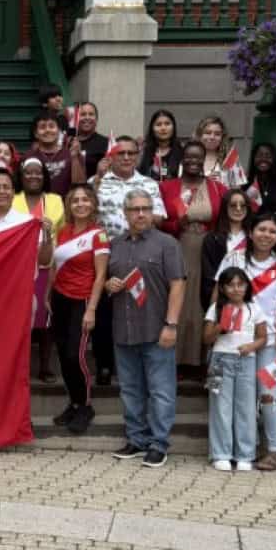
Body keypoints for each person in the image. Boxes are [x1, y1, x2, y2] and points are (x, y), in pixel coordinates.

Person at [105, 190, 186, 469]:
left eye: (145, 208)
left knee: (161, 390)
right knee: (130, 390)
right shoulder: (115, 244)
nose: (140, 214)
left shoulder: (168, 244)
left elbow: (178, 284)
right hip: (123, 329)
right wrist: (109, 285)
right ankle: (136, 439)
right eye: (134, 209)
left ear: (152, 212)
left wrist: (171, 324)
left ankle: (158, 443)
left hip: (156, 328)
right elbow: (106, 280)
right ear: (125, 214)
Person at [214, 213, 276, 471]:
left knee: (268, 393)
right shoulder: (234, 258)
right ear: (251, 232)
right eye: (262, 229)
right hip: (232, 341)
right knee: (233, 398)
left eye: (272, 231)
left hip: (267, 341)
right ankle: (238, 449)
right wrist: (216, 326)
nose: (266, 235)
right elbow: (219, 293)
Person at [91, 137, 166, 385]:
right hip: (108, 252)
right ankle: (104, 364)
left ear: (137, 155)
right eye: (120, 152)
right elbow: (86, 212)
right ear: (111, 156)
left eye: (131, 153)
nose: (126, 157)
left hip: (143, 250)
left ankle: (139, 363)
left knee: (139, 304)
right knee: (105, 309)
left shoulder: (148, 183)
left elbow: (161, 217)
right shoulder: (98, 182)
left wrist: (137, 219)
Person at [159, 141, 228, 373]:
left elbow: (229, 217)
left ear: (204, 160)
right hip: (178, 245)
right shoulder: (167, 187)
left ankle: (199, 360)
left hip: (207, 250)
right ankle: (175, 360)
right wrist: (178, 223)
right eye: (188, 157)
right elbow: (158, 223)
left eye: (198, 158)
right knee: (179, 299)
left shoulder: (217, 188)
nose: (193, 161)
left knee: (202, 301)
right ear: (181, 159)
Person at [47, 184, 109, 435]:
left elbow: (101, 274)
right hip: (60, 298)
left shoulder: (99, 234)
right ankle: (73, 403)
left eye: (85, 200)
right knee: (63, 355)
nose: (80, 204)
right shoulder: (62, 231)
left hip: (82, 300)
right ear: (69, 206)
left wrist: (91, 309)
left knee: (76, 355)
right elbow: (53, 266)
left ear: (93, 204)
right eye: (75, 201)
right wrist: (47, 295)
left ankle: (85, 406)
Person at [203, 268, 267, 472]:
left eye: (240, 284)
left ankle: (245, 455)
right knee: (219, 407)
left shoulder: (254, 308)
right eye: (230, 285)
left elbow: (263, 337)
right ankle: (221, 453)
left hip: (246, 360)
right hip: (219, 360)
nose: (236, 289)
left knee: (246, 408)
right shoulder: (216, 308)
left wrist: (251, 347)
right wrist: (220, 328)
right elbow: (206, 339)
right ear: (222, 287)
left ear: (247, 286)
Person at [13, 158, 65, 382]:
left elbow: (59, 229)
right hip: (17, 267)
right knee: (19, 319)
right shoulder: (13, 199)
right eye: (28, 173)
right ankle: (20, 366)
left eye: (38, 173)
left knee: (45, 318)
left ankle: (45, 366)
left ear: (44, 177)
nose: (33, 177)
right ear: (21, 177)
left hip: (46, 264)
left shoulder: (54, 200)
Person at [200, 189, 251, 311]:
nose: (238, 209)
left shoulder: (254, 235)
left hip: (251, 298)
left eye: (243, 205)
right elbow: (208, 275)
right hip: (222, 299)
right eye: (233, 205)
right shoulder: (212, 238)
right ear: (225, 208)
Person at [26, 111, 84, 198]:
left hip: (65, 208)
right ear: (36, 133)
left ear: (59, 131)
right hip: (38, 208)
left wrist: (75, 157)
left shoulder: (72, 154)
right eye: (42, 127)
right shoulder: (28, 157)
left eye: (51, 126)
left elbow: (80, 185)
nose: (47, 130)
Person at [139, 109, 181, 181]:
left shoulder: (182, 152)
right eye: (158, 125)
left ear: (173, 127)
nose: (163, 128)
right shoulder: (143, 152)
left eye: (167, 124)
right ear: (152, 128)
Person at [245, 142, 276, 214]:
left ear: (274, 159)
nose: (263, 159)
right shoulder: (245, 181)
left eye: (268, 156)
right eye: (259, 156)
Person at [73, 101, 109, 178]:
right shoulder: (68, 142)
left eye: (91, 114)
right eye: (83, 114)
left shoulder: (106, 143)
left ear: (96, 119)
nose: (87, 117)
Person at [193, 116, 232, 182]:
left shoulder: (230, 159)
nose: (212, 137)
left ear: (222, 137)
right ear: (199, 135)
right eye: (208, 133)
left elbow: (237, 190)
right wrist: (205, 181)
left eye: (217, 134)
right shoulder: (188, 158)